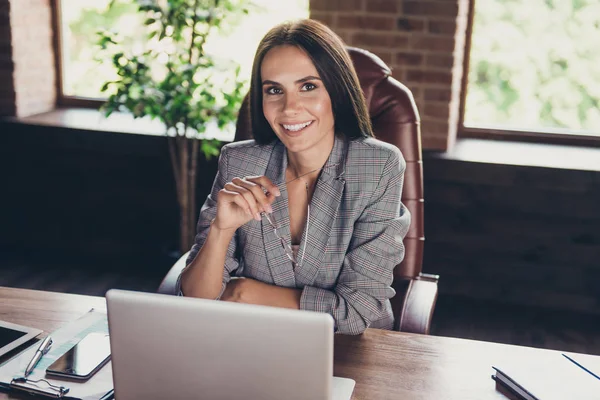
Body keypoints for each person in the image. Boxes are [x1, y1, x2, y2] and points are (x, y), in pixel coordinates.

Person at [179, 19, 411, 335]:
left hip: (347, 350)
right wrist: (221, 230)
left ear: (336, 91)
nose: (289, 108)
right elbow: (195, 297)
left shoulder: (378, 166)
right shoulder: (239, 161)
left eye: (308, 86)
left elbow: (357, 314)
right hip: (250, 339)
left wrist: (243, 293)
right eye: (274, 90)